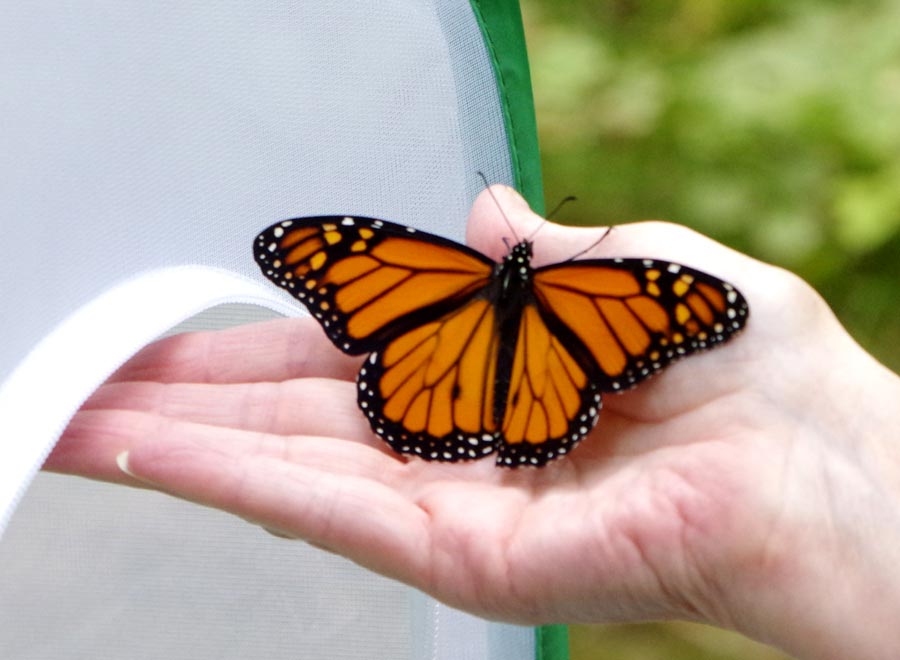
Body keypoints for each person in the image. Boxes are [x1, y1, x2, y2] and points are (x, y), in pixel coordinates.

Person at [46, 186, 900, 659]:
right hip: (531, 376)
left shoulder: (450, 270)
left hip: (460, 365)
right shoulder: (582, 290)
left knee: (437, 397)